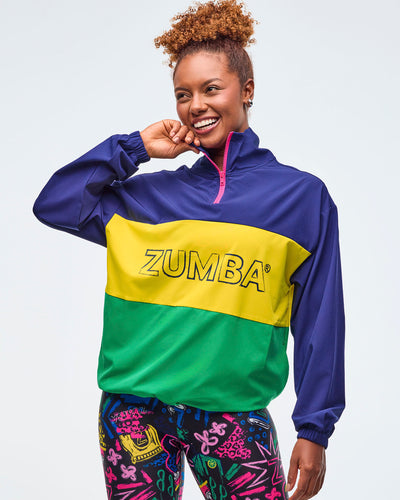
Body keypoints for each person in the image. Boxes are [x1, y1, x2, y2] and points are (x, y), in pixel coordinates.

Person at [33, 1, 345, 499]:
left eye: (211, 88)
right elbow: (55, 203)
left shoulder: (301, 199)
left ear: (246, 90)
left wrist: (314, 428)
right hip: (133, 412)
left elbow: (320, 319)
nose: (195, 105)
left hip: (234, 415)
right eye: (183, 94)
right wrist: (135, 148)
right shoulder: (148, 198)